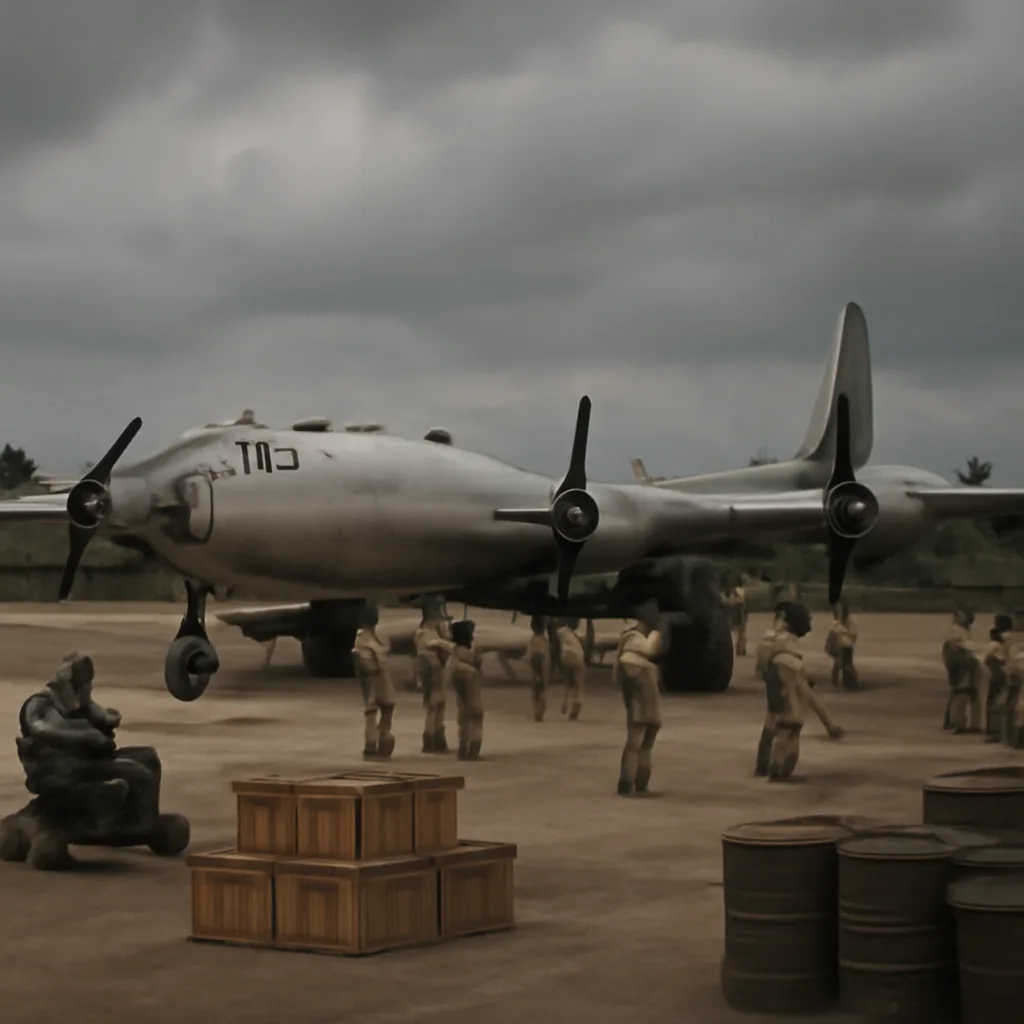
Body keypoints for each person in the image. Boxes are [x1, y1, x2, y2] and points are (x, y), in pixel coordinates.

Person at [16, 652, 161, 833]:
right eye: (86, 684)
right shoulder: (39, 704)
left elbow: (102, 724)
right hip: (61, 770)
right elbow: (51, 730)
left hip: (87, 763)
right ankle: (123, 824)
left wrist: (104, 719)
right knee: (137, 774)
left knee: (148, 758)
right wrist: (90, 732)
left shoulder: (82, 705)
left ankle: (142, 822)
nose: (90, 688)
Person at [614, 605, 664, 796]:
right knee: (645, 734)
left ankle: (628, 782)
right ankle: (637, 782)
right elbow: (652, 650)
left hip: (635, 679)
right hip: (642, 677)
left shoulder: (629, 640)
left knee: (637, 734)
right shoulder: (641, 641)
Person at [763, 602, 815, 780]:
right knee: (794, 739)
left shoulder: (778, 642)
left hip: (783, 708)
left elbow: (767, 657)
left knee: (781, 738)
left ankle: (775, 764)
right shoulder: (796, 654)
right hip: (798, 711)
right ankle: (787, 768)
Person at [351, 605, 396, 758]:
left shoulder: (369, 637)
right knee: (376, 713)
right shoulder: (365, 639)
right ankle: (376, 743)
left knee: (378, 713)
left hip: (378, 682)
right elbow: (367, 662)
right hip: (376, 682)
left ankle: (376, 744)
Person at [413, 601, 455, 753]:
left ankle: (437, 738)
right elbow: (431, 644)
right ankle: (431, 739)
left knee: (438, 705)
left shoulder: (432, 631)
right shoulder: (424, 633)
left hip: (435, 670)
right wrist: (448, 646)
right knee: (434, 705)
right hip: (432, 670)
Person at [754, 602, 788, 776]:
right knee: (775, 720)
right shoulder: (777, 639)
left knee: (772, 720)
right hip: (777, 680)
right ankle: (769, 763)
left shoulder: (770, 638)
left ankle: (764, 763)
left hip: (773, 679)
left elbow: (760, 667)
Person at [445, 619, 485, 759]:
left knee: (464, 720)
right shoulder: (468, 662)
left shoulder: (453, 660)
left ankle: (463, 749)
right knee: (475, 718)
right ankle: (473, 751)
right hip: (472, 696)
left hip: (462, 698)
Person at [942, 608, 982, 734]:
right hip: (963, 665)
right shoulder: (957, 631)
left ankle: (957, 722)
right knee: (965, 693)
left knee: (961, 693)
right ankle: (962, 723)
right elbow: (966, 649)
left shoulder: (959, 631)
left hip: (962, 664)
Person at [556, 617, 587, 719]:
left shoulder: (561, 632)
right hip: (577, 658)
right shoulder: (579, 634)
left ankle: (566, 704)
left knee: (568, 684)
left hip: (565, 658)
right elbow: (586, 642)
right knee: (578, 683)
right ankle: (575, 705)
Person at [825, 602, 859, 690]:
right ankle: (842, 681)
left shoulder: (850, 621)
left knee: (844, 664)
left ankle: (847, 681)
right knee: (842, 664)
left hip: (846, 645)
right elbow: (833, 633)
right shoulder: (837, 622)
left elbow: (853, 634)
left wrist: (841, 631)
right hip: (839, 645)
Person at [526, 615, 551, 721]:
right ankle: (539, 713)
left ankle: (537, 711)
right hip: (540, 661)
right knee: (543, 689)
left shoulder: (533, 638)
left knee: (535, 690)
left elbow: (530, 654)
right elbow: (543, 656)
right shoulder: (543, 639)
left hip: (533, 662)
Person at [724, 577, 748, 656]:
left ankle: (741, 648)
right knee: (741, 632)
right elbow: (737, 600)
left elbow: (732, 601)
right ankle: (740, 648)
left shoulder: (737, 591)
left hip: (739, 611)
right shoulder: (739, 590)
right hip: (739, 612)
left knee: (741, 632)